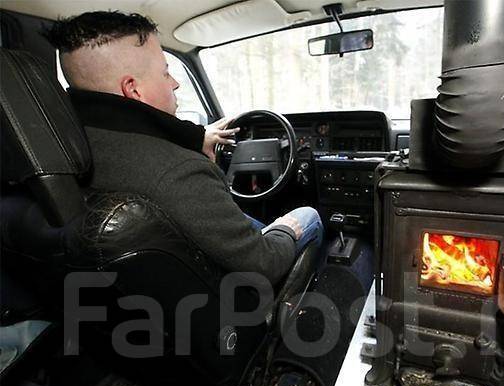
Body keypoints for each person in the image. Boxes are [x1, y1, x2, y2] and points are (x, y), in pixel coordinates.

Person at [43, 11, 323, 285]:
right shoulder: (182, 173)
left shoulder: (66, 148)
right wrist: (285, 230)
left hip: (143, 293)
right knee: (306, 216)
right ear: (133, 89)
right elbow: (263, 265)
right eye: (165, 73)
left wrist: (196, 138)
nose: (175, 83)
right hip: (229, 304)